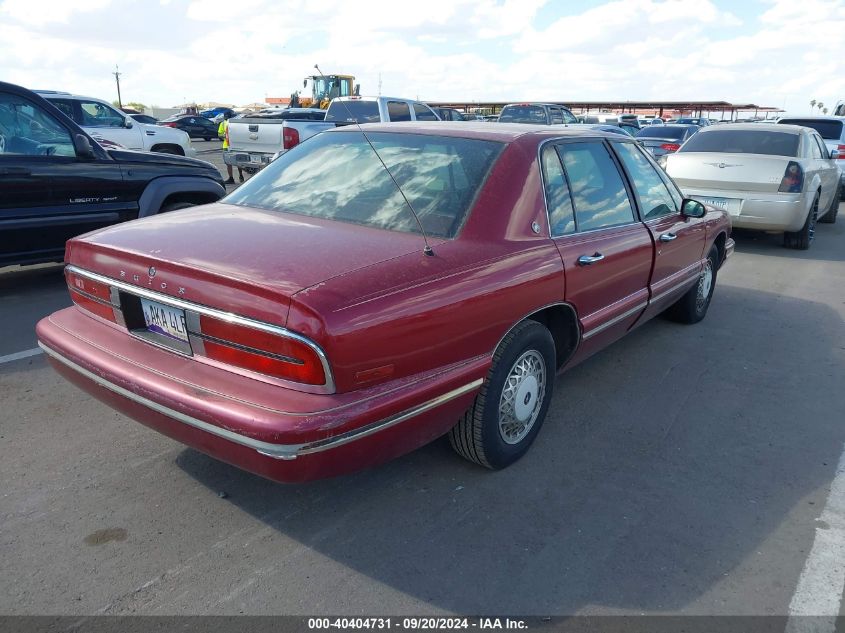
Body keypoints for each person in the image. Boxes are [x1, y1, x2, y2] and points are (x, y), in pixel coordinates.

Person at [218, 112, 243, 184]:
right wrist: (224, 136)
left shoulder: (234, 123)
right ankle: (231, 178)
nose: (226, 118)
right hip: (227, 145)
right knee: (229, 163)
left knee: (237, 162)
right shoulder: (223, 124)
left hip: (234, 145)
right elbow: (219, 134)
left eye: (227, 117)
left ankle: (239, 175)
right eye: (225, 117)